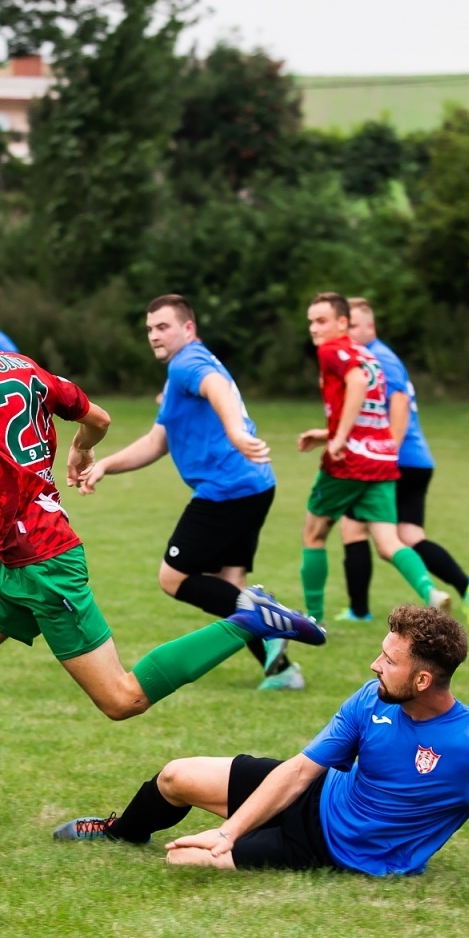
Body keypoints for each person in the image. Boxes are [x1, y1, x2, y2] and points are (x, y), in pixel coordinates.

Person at [0, 265, 324, 832]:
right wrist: (82, 448)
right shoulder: (21, 366)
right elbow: (98, 416)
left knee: (122, 699)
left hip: (46, 566)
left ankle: (248, 621)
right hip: (13, 562)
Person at [53, 606, 469, 908]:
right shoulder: (372, 698)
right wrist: (229, 832)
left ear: (422, 680)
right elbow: (301, 770)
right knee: (175, 776)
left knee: (182, 862)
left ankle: (229, 840)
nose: (374, 665)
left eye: (389, 661)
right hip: (314, 797)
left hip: (332, 850)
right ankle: (121, 833)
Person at [74, 294, 304, 691]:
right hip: (254, 485)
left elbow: (217, 387)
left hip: (226, 489)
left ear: (188, 328)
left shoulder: (188, 363)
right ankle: (282, 671)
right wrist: (106, 465)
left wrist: (236, 432)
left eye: (163, 327)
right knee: (230, 582)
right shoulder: (181, 373)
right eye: (150, 328)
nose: (154, 335)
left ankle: (269, 622)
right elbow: (157, 441)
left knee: (173, 578)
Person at [296, 292, 449, 625]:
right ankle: (430, 591)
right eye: (311, 322)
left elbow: (356, 383)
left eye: (321, 321)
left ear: (342, 323)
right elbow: (369, 412)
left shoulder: (331, 351)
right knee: (388, 541)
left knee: (313, 535)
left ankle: (312, 619)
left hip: (349, 462)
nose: (314, 329)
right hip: (381, 459)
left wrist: (338, 438)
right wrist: (327, 434)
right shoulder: (366, 355)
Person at [336, 298, 469, 626]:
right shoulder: (373, 356)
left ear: (370, 327)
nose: (347, 332)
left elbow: (400, 404)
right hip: (414, 460)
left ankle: (359, 611)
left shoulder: (379, 357)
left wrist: (386, 454)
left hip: (396, 461)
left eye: (353, 325)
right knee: (408, 536)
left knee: (354, 529)